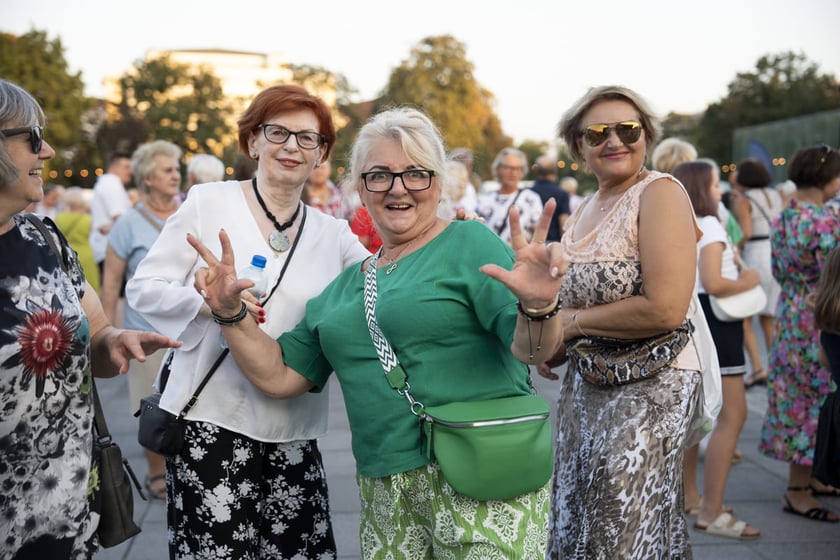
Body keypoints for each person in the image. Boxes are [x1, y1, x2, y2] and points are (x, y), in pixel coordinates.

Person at [188, 107, 566, 558]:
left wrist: (540, 305)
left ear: (440, 183)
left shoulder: (471, 244)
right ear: (359, 189)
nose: (398, 188)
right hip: (386, 489)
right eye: (379, 175)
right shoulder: (344, 289)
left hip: (487, 473)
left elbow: (532, 350)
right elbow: (279, 376)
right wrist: (230, 313)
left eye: (416, 174)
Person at [126, 84, 370, 558]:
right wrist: (208, 303)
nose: (292, 147)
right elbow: (144, 287)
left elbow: (385, 289)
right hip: (209, 421)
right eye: (278, 132)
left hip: (293, 428)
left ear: (322, 154)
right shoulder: (208, 202)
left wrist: (442, 238)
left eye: (308, 138)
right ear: (253, 141)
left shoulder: (333, 234)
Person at [0, 78, 179, 559]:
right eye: (34, 137)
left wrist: (115, 340)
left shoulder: (47, 239)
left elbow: (96, 335)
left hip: (66, 503)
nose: (50, 151)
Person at [544, 85, 702, 558]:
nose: (614, 140)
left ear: (646, 136)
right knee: (577, 519)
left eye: (627, 129)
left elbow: (666, 308)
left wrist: (569, 323)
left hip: (655, 383)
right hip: (587, 383)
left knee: (620, 526)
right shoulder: (585, 209)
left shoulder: (660, 194)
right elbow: (560, 315)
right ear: (578, 146)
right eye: (597, 132)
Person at [673, 159, 762, 540]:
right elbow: (714, 281)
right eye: (713, 186)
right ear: (700, 188)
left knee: (699, 413)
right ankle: (712, 510)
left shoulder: (684, 225)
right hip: (718, 321)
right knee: (733, 414)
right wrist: (748, 278)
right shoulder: (709, 225)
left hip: (696, 318)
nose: (718, 191)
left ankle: (691, 496)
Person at [758, 144, 840, 523]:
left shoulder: (785, 216)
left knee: (795, 397)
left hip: (790, 313)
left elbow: (778, 270)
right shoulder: (826, 222)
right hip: (819, 318)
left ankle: (812, 477)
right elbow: (833, 280)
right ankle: (797, 490)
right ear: (828, 179)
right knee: (815, 399)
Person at [102, 140, 182, 502]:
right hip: (145, 335)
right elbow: (111, 285)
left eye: (177, 168)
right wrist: (108, 335)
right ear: (147, 178)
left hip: (189, 332)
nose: (176, 174)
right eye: (168, 169)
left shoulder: (188, 214)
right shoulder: (128, 225)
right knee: (153, 406)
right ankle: (155, 471)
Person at [732, 158, 784, 387]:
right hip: (774, 253)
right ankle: (776, 369)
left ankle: (758, 369)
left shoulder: (745, 200)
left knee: (745, 318)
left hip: (754, 255)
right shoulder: (775, 195)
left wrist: (731, 245)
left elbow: (746, 232)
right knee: (769, 318)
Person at [475, 147, 543, 243]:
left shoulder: (532, 199)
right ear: (498, 169)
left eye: (517, 168)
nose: (513, 172)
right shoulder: (483, 200)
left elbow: (537, 236)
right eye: (508, 167)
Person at [90, 151, 133, 279]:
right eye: (126, 167)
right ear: (114, 167)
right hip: (112, 250)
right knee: (116, 294)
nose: (130, 171)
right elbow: (120, 218)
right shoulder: (111, 183)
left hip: (107, 248)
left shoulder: (107, 183)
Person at [55, 186, 100, 293]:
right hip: (85, 254)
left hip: (65, 254)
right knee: (89, 287)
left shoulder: (59, 217)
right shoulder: (88, 219)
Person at [529, 154, 571, 242]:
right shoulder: (561, 194)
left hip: (531, 242)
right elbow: (564, 224)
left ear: (536, 171)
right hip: (552, 244)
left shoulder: (528, 193)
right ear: (555, 170)